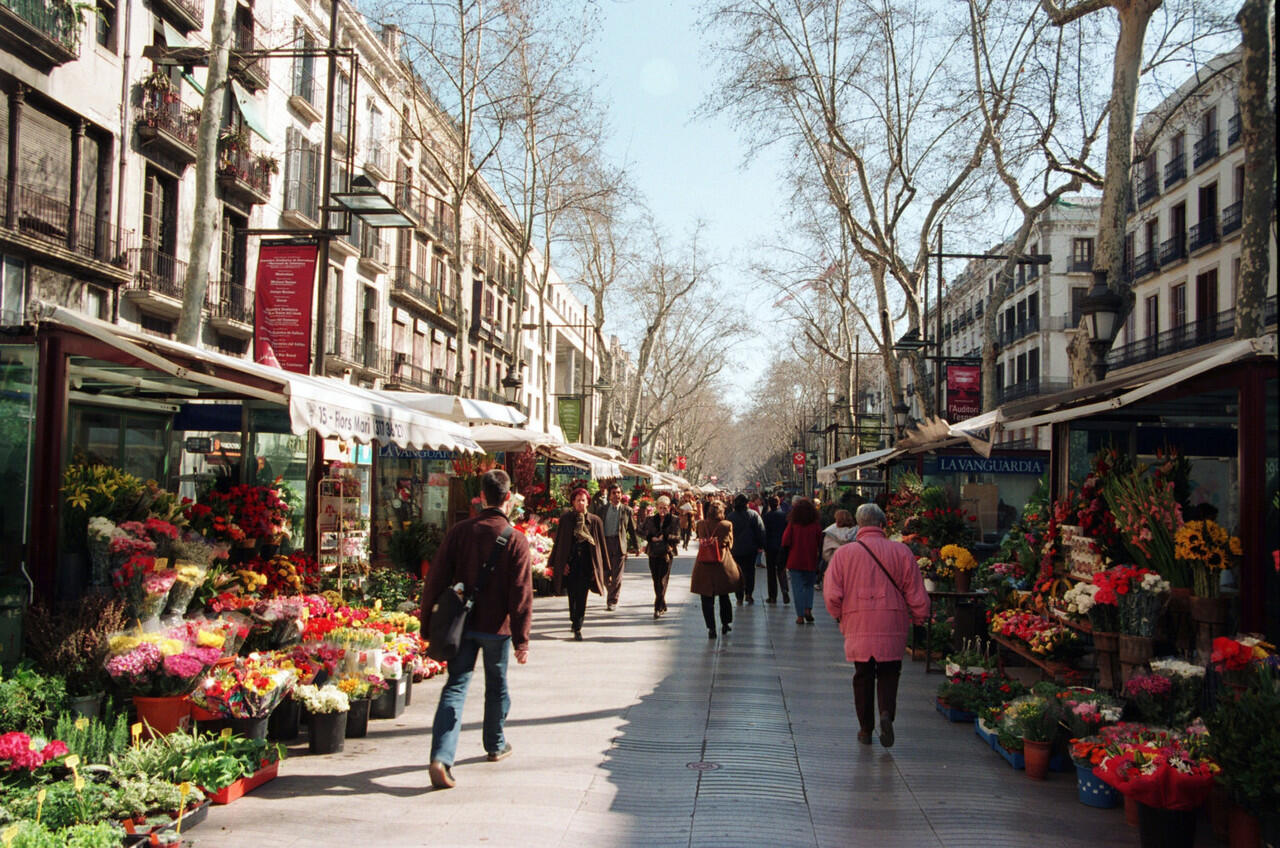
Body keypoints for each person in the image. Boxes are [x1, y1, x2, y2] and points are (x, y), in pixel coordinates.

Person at [421, 469, 532, 790]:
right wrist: (522, 639)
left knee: (455, 686)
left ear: (482, 496)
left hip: (461, 624)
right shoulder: (516, 539)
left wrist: (427, 622)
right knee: (496, 685)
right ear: (508, 498)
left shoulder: (460, 532)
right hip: (496, 628)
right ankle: (495, 745)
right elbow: (521, 592)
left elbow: (435, 579)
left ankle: (441, 757)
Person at [824, 503, 931, 748]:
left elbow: (831, 594)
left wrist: (839, 614)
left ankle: (865, 728)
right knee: (889, 672)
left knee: (862, 675)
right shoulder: (901, 552)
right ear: (882, 525)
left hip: (858, 621)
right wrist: (919, 617)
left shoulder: (844, 554)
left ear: (859, 526)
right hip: (892, 620)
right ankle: (886, 713)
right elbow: (915, 590)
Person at [548, 488, 607, 641]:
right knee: (572, 595)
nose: (580, 503)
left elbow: (601, 545)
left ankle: (578, 626)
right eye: (577, 500)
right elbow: (559, 543)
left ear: (588, 502)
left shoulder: (595, 521)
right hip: (571, 563)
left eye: (583, 500)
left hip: (587, 563)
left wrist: (604, 568)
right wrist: (557, 563)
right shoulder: (566, 520)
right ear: (573, 502)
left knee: (582, 595)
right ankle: (574, 619)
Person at [692, 500, 740, 638]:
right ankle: (725, 623)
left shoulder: (701, 524)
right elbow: (730, 544)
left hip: (704, 565)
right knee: (724, 595)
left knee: (706, 598)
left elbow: (700, 537)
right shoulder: (727, 525)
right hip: (721, 564)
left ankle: (711, 628)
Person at [591, 484, 637, 611]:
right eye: (613, 493)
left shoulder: (627, 510)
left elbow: (632, 530)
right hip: (605, 543)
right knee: (605, 574)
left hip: (619, 544)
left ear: (621, 494)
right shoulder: (602, 510)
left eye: (618, 493)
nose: (616, 495)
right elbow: (595, 528)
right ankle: (611, 590)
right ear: (609, 495)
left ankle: (612, 600)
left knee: (617, 575)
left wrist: (636, 547)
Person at [781, 497, 823, 624]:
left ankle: (800, 616)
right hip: (810, 560)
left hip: (795, 560)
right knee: (809, 586)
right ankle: (808, 609)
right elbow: (820, 541)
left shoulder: (793, 525)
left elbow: (785, 541)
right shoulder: (815, 525)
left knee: (797, 588)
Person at [638, 495, 681, 618]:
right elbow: (639, 531)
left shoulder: (674, 520)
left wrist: (666, 537)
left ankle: (657, 607)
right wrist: (651, 537)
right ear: (656, 507)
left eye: (665, 508)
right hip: (653, 552)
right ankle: (662, 602)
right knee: (655, 579)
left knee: (662, 580)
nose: (663, 511)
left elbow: (678, 538)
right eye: (660, 508)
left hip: (666, 553)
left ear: (669, 508)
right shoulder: (650, 520)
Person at [727, 493, 765, 605]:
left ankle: (739, 596)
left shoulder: (730, 516)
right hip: (750, 549)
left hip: (735, 549)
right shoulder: (753, 515)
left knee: (737, 573)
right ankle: (749, 594)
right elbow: (761, 530)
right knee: (750, 571)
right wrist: (760, 545)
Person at [819, 509, 858, 589]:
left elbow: (826, 552)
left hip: (835, 565)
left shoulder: (830, 532)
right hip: (852, 566)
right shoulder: (857, 531)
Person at [762, 496, 789, 605]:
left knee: (771, 572)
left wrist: (763, 545)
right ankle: (785, 590)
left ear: (769, 505)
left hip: (770, 547)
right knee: (781, 570)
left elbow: (764, 532)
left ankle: (772, 596)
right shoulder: (784, 516)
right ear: (778, 504)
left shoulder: (766, 516)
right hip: (782, 547)